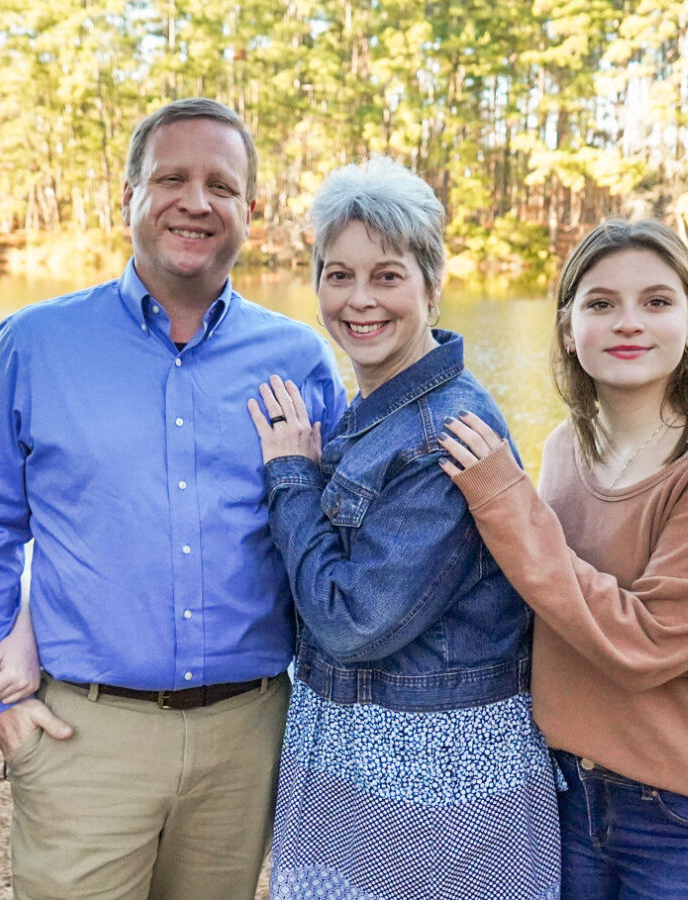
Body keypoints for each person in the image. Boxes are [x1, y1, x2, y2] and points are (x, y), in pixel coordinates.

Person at [0, 97, 346, 900]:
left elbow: (331, 527)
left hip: (247, 732)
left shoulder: (298, 355)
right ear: (125, 195)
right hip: (85, 733)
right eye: (171, 178)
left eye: (220, 185)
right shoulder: (33, 344)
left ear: (250, 211)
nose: (196, 202)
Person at [437, 218, 688, 899]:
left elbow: (645, 643)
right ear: (569, 329)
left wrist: (502, 499)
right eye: (601, 303)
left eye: (656, 302)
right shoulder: (562, 451)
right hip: (575, 800)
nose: (628, 322)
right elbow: (546, 607)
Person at [248, 156, 562, 899]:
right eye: (338, 274)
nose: (360, 301)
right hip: (363, 755)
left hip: (432, 772)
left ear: (431, 284)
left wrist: (292, 478)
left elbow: (354, 622)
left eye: (387, 276)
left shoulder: (443, 432)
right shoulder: (376, 412)